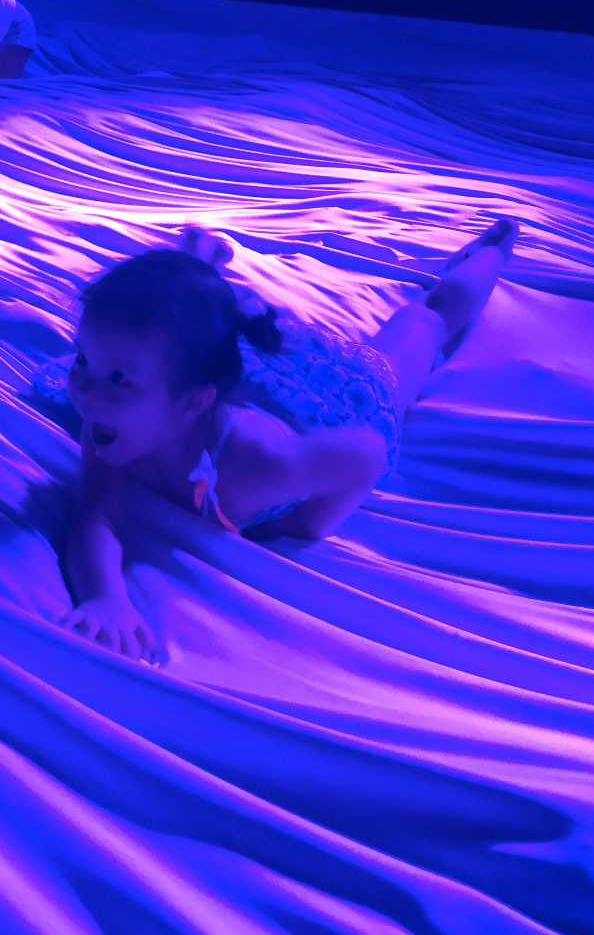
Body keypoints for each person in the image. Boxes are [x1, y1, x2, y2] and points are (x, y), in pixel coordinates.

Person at [36, 218, 519, 662]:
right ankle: (200, 269)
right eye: (82, 359)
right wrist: (106, 596)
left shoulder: (256, 465)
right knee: (175, 328)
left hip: (340, 402)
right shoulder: (111, 421)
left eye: (118, 378)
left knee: (426, 322)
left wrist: (304, 524)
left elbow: (366, 453)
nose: (84, 393)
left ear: (188, 402)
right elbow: (95, 517)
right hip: (221, 385)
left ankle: (490, 253)